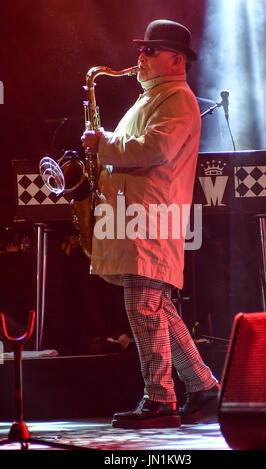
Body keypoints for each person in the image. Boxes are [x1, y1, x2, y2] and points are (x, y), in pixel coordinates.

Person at [81, 19, 220, 429]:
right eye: (141, 49)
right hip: (135, 218)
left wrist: (103, 143)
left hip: (150, 219)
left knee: (143, 307)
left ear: (176, 60)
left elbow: (155, 149)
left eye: (149, 51)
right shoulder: (153, 98)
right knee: (157, 310)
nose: (139, 57)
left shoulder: (176, 98)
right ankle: (204, 387)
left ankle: (160, 399)